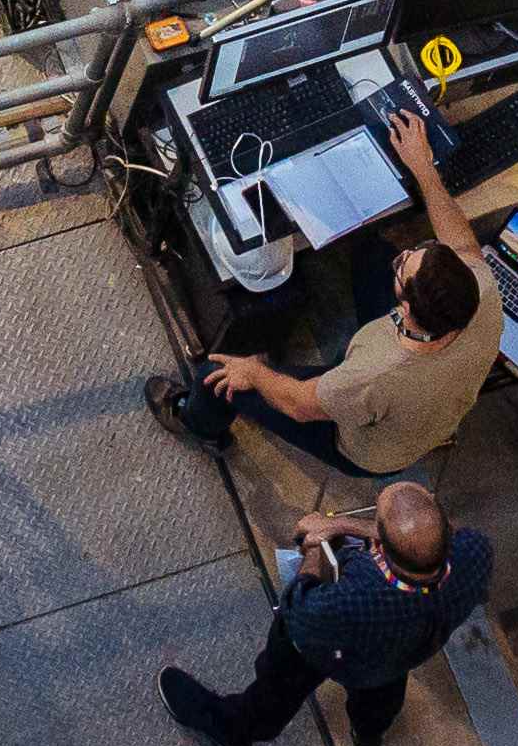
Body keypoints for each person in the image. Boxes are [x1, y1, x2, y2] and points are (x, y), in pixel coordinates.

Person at [151, 100, 499, 475]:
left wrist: (254, 372)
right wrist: (423, 167)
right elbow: (463, 245)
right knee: (372, 251)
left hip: (363, 446)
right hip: (415, 396)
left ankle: (199, 425)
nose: (406, 254)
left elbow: (300, 404)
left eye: (404, 267)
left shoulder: (375, 375)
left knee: (215, 378)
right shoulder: (482, 292)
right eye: (419, 250)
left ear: (406, 308)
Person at [164, 478, 490, 746]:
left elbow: (298, 607)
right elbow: (425, 544)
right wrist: (344, 526)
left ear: (377, 544)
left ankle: (234, 732)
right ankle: (368, 734)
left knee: (277, 689)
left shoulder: (349, 601)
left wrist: (316, 547)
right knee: (381, 694)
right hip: (401, 653)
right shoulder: (475, 552)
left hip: (334, 651)